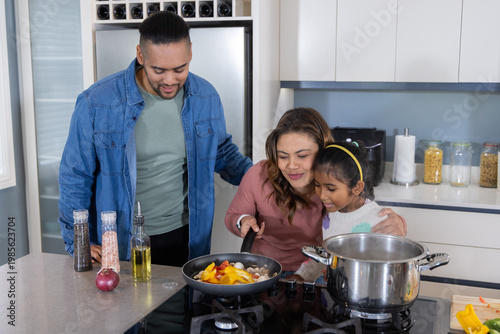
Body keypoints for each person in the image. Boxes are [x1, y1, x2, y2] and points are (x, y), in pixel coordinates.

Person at [58, 11, 252, 266]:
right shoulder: (96, 103)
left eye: (179, 69)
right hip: (121, 241)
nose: (170, 80)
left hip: (187, 237)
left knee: (186, 306)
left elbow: (222, 154)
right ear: (140, 55)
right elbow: (75, 176)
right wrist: (78, 239)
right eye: (159, 70)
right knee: (124, 306)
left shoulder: (205, 96)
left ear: (190, 53)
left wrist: (266, 180)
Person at [225, 107, 406, 275]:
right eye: (283, 156)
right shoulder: (258, 174)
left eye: (302, 156)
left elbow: (364, 215)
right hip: (263, 270)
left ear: (323, 151)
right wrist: (242, 221)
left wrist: (398, 224)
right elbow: (233, 216)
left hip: (315, 273)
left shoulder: (335, 183)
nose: (291, 166)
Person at [294, 141, 389, 282]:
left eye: (331, 189)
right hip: (334, 296)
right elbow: (324, 255)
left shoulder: (379, 220)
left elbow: (386, 274)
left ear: (357, 187)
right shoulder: (329, 214)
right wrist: (301, 275)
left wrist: (346, 275)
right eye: (317, 185)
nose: (322, 195)